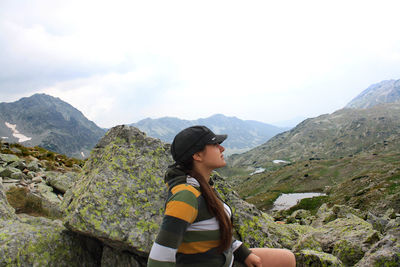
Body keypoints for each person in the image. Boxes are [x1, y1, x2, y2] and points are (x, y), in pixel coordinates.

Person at [148, 126, 296, 267]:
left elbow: (213, 232)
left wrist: (243, 253)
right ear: (197, 155)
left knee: (286, 259)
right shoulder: (186, 196)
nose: (222, 148)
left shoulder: (203, 186)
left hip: (226, 260)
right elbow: (158, 259)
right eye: (214, 144)